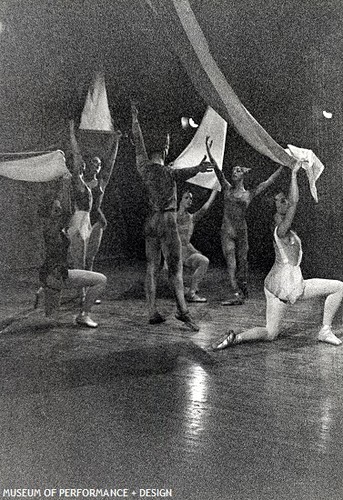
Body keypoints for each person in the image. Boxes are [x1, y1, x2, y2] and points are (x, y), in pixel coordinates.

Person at [212, 161, 343, 349]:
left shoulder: (283, 228)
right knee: (338, 287)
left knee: (271, 333)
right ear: (275, 207)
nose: (285, 203)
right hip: (285, 283)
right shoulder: (280, 229)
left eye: (284, 200)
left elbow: (292, 203)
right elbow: (294, 203)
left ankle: (236, 337)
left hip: (275, 284)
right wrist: (293, 175)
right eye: (281, 201)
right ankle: (325, 330)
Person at [131, 102, 213, 331]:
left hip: (151, 221)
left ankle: (151, 311)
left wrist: (135, 120)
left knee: (151, 267)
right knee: (175, 270)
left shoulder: (143, 167)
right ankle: (182, 311)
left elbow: (138, 143)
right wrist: (199, 167)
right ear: (165, 150)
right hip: (167, 221)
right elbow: (186, 172)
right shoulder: (169, 171)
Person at [206, 136, 283, 305]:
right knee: (231, 263)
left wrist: (281, 166)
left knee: (243, 262)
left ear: (243, 175)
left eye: (238, 170)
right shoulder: (226, 188)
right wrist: (209, 151)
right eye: (233, 170)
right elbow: (217, 170)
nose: (234, 172)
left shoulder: (249, 193)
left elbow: (268, 182)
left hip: (242, 231)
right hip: (227, 231)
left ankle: (243, 286)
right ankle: (235, 293)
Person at [39, 196, 107, 327]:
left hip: (49, 276)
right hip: (57, 276)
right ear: (49, 212)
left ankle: (47, 289)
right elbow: (68, 213)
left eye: (59, 209)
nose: (60, 212)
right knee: (101, 280)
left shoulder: (48, 226)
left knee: (50, 320)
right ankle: (84, 315)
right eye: (56, 210)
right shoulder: (52, 228)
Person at [68, 119, 122, 272]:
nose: (97, 167)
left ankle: (86, 291)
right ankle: (80, 290)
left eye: (99, 165)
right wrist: (72, 133)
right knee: (78, 258)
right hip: (80, 218)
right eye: (94, 163)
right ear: (88, 164)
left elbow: (111, 161)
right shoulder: (80, 179)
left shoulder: (101, 182)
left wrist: (116, 141)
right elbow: (76, 153)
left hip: (96, 220)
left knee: (90, 259)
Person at [176, 188, 217, 302]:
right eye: (186, 197)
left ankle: (192, 293)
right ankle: (182, 289)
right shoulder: (172, 217)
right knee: (177, 287)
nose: (189, 200)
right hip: (173, 254)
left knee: (204, 261)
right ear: (179, 200)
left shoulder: (192, 218)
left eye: (191, 198)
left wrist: (215, 190)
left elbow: (206, 206)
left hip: (186, 254)